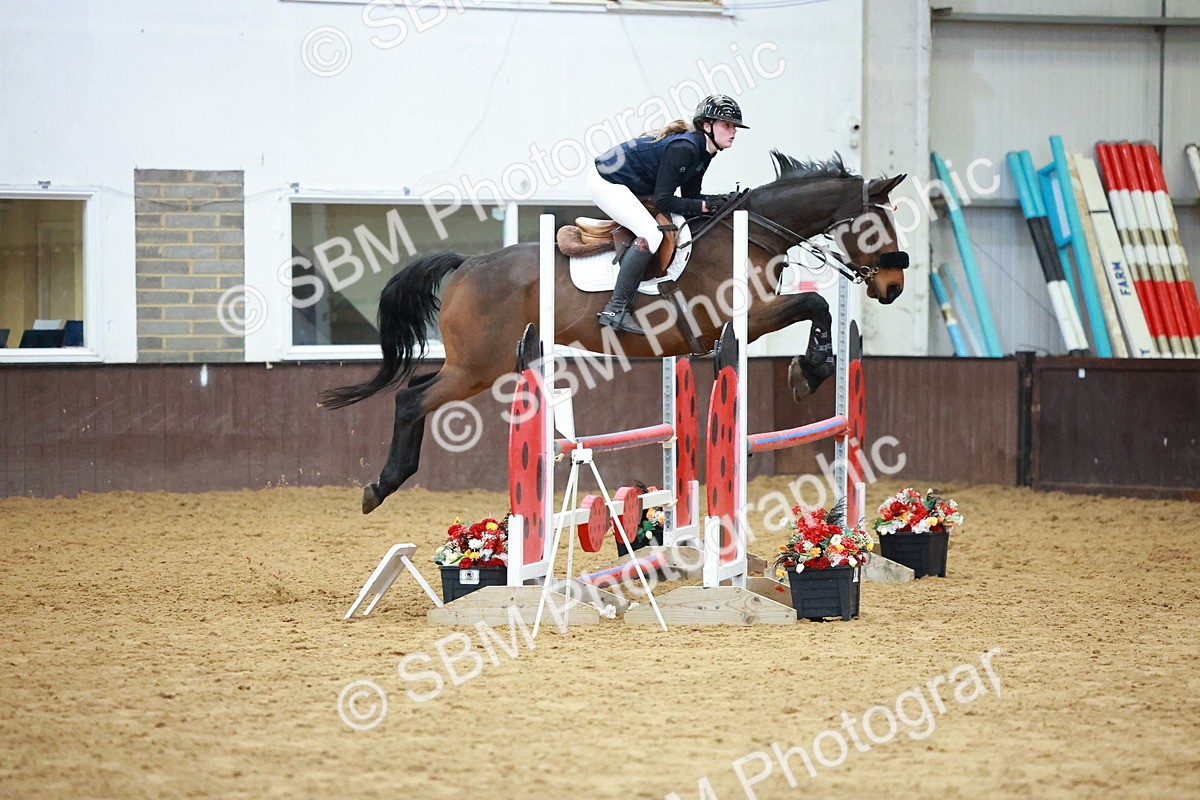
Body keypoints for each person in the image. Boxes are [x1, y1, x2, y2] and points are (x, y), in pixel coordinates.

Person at [587, 94, 747, 334]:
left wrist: (721, 200)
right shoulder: (685, 149)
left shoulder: (705, 151)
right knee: (651, 234)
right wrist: (706, 206)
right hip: (607, 181)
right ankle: (615, 309)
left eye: (735, 127)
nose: (733, 131)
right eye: (727, 125)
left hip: (630, 185)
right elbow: (664, 200)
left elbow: (692, 195)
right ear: (707, 126)